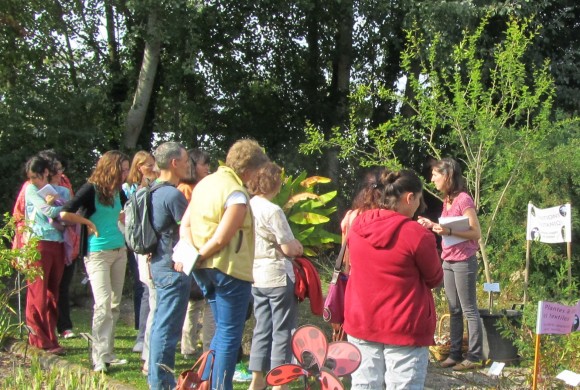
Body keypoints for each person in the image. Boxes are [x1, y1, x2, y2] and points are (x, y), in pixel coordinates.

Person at [182, 138, 270, 390]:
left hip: (203, 270)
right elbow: (223, 235)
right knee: (231, 334)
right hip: (229, 269)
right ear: (249, 170)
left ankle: (205, 383)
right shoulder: (236, 192)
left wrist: (195, 254)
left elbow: (185, 224)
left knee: (222, 331)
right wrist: (203, 254)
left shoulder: (204, 184)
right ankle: (221, 386)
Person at [344, 169, 443, 389]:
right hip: (404, 326)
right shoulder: (418, 235)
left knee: (363, 385)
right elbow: (435, 278)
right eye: (419, 200)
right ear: (409, 198)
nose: (419, 205)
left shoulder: (357, 225)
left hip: (362, 321)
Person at [60, 150, 130, 372]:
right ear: (112, 168)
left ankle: (108, 353)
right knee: (103, 305)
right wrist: (87, 223)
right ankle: (98, 357)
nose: (127, 173)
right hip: (98, 253)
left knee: (115, 305)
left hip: (120, 251)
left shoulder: (119, 191)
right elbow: (64, 213)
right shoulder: (91, 188)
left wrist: (125, 218)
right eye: (124, 169)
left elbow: (127, 211)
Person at [417, 158, 483, 371]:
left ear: (448, 176)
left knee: (469, 308)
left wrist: (449, 232)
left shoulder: (464, 199)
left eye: (436, 174)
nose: (432, 178)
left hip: (464, 260)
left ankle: (474, 356)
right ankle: (455, 354)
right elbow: (448, 227)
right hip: (448, 259)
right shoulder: (447, 200)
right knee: (454, 309)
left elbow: (475, 232)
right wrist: (433, 226)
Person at [246, 162, 303, 390]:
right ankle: (279, 382)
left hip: (254, 274)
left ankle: (257, 380)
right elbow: (289, 248)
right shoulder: (273, 210)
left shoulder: (247, 206)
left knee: (261, 327)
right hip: (277, 275)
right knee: (282, 329)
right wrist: (297, 247)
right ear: (275, 183)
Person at [146, 142, 192, 390]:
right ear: (174, 163)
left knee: (159, 325)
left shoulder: (152, 190)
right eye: (185, 160)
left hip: (158, 264)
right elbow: (188, 229)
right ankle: (162, 382)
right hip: (174, 268)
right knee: (168, 329)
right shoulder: (173, 195)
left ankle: (156, 378)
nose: (188, 165)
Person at [22, 155, 66, 355]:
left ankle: (51, 337)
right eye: (30, 177)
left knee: (52, 292)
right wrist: (64, 208)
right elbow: (48, 211)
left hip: (56, 243)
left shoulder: (59, 188)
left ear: (45, 173)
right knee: (37, 292)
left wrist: (64, 208)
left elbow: (70, 211)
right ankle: (39, 339)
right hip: (38, 243)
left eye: (36, 177)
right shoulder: (30, 189)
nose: (32, 181)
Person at [178, 148, 216, 359]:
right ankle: (189, 345)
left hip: (201, 249)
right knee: (194, 300)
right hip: (193, 250)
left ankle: (194, 346)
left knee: (198, 300)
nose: (207, 168)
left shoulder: (203, 186)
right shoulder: (186, 189)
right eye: (204, 164)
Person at [121, 150, 157, 354]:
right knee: (144, 288)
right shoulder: (129, 188)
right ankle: (142, 336)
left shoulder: (155, 186)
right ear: (138, 167)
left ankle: (147, 336)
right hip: (139, 244)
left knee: (147, 289)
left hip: (149, 243)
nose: (152, 168)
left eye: (153, 164)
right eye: (147, 165)